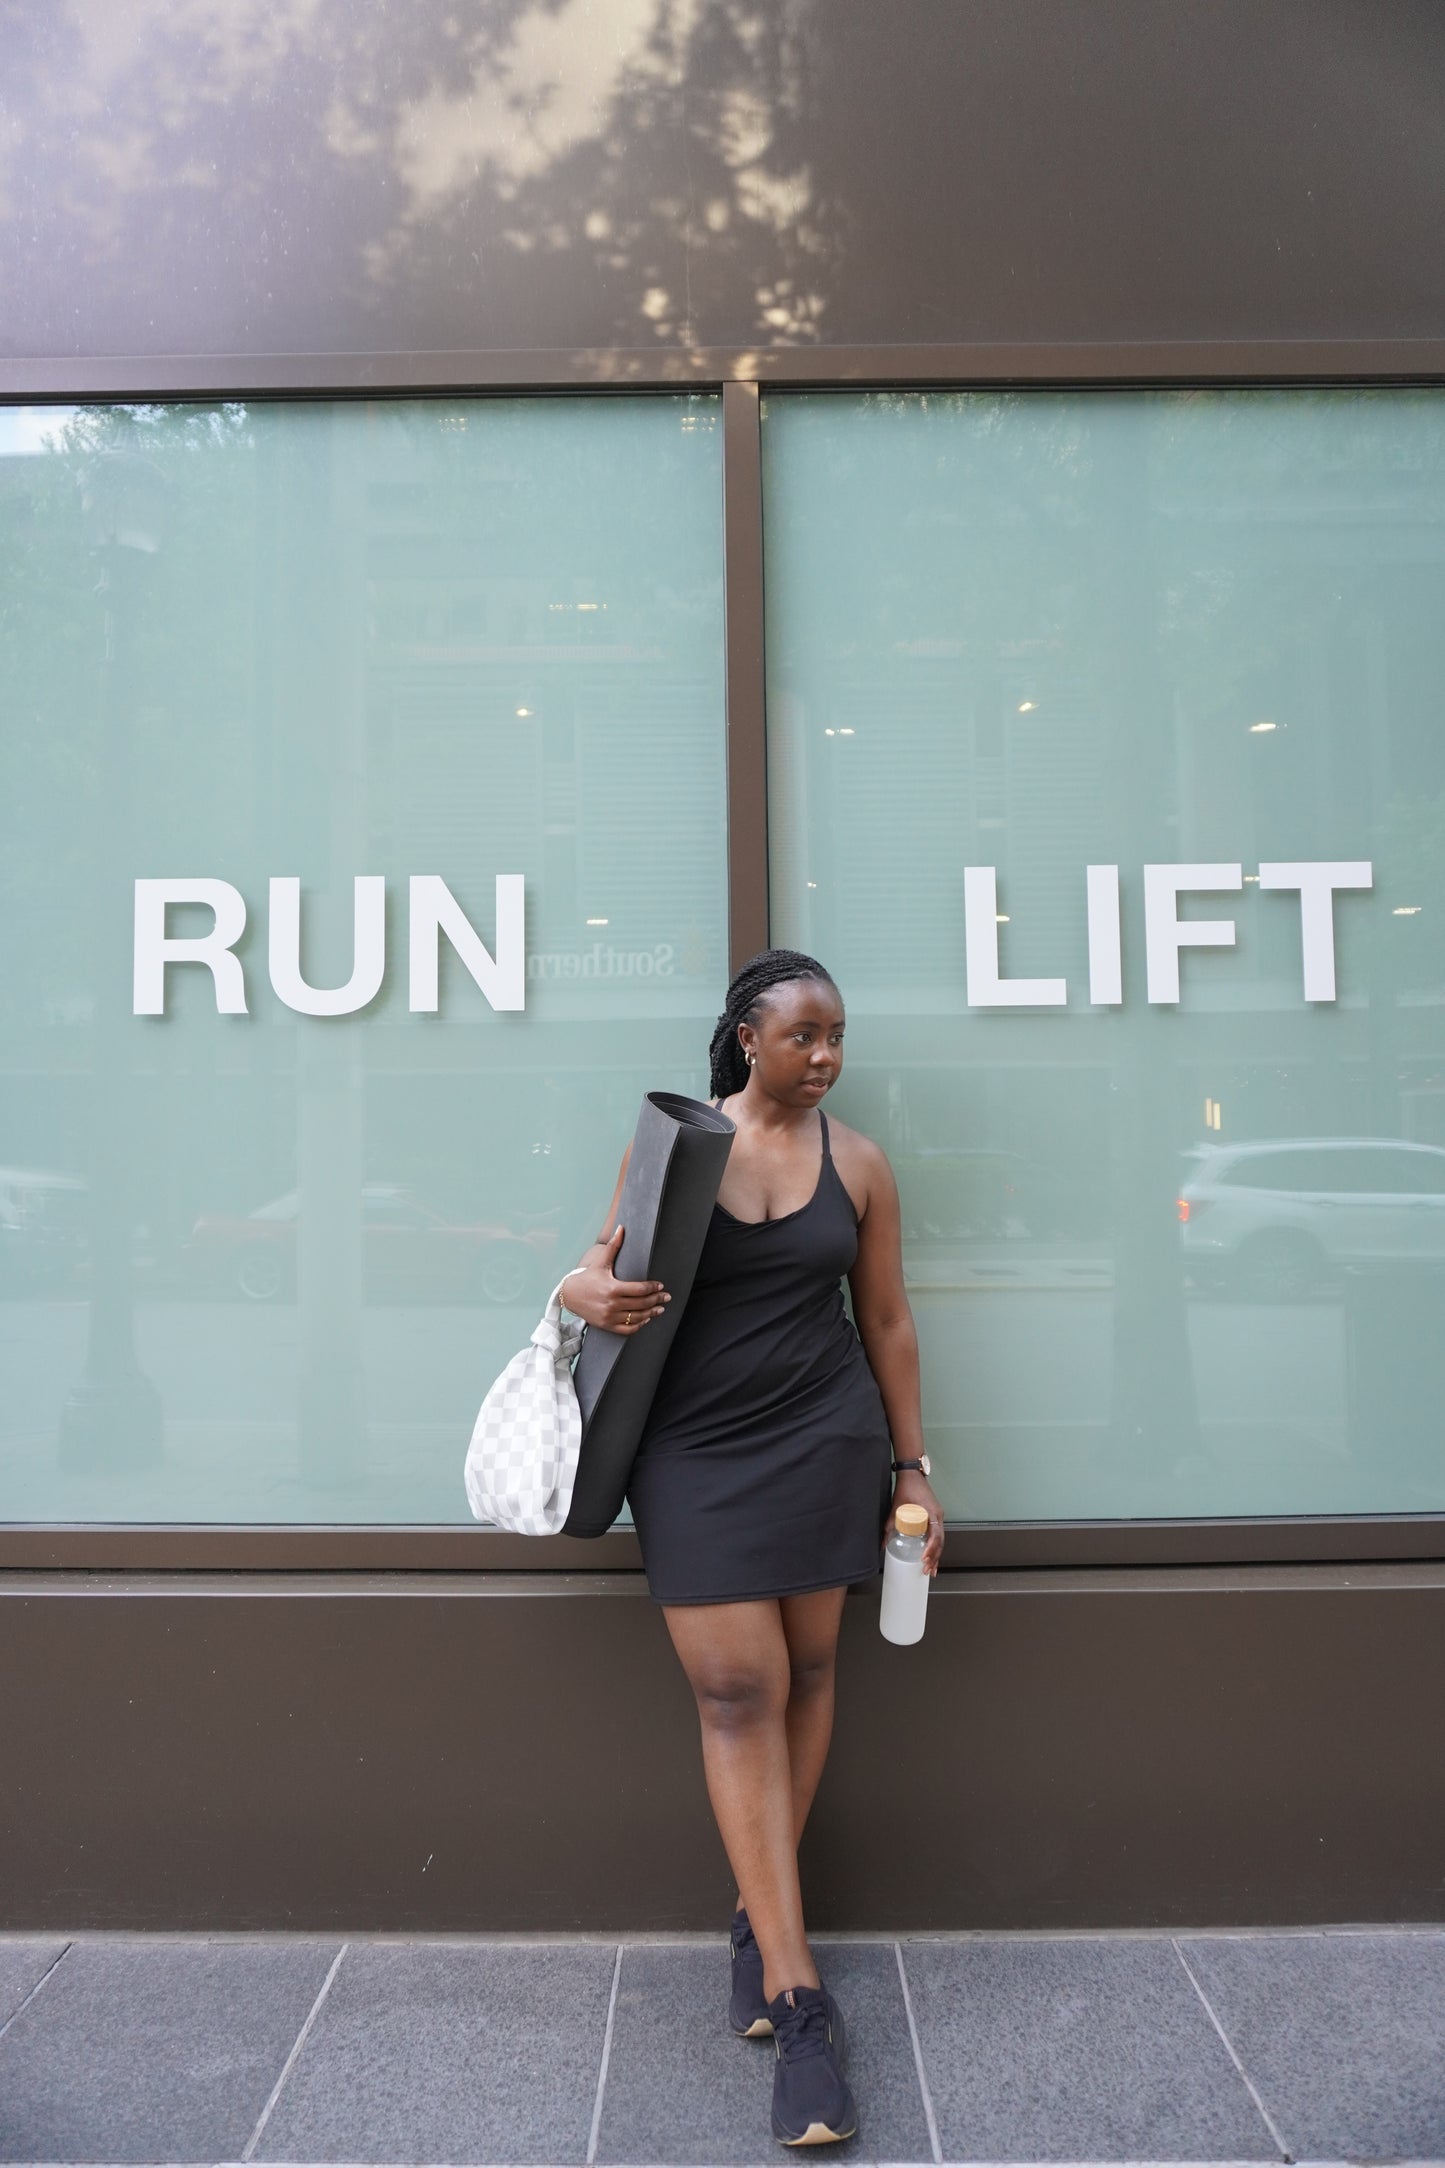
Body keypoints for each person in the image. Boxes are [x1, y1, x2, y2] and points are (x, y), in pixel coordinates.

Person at [560, 949, 942, 2149]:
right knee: (739, 1690)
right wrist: (579, 1291)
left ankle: (752, 1919)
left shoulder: (860, 1163)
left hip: (824, 1438)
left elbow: (884, 1318)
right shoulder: (674, 1146)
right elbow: (597, 1267)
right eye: (802, 1037)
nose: (824, 1056)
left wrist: (911, 1466)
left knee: (811, 1678)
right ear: (742, 1038)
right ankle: (798, 1997)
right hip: (694, 1450)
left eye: (836, 1036)